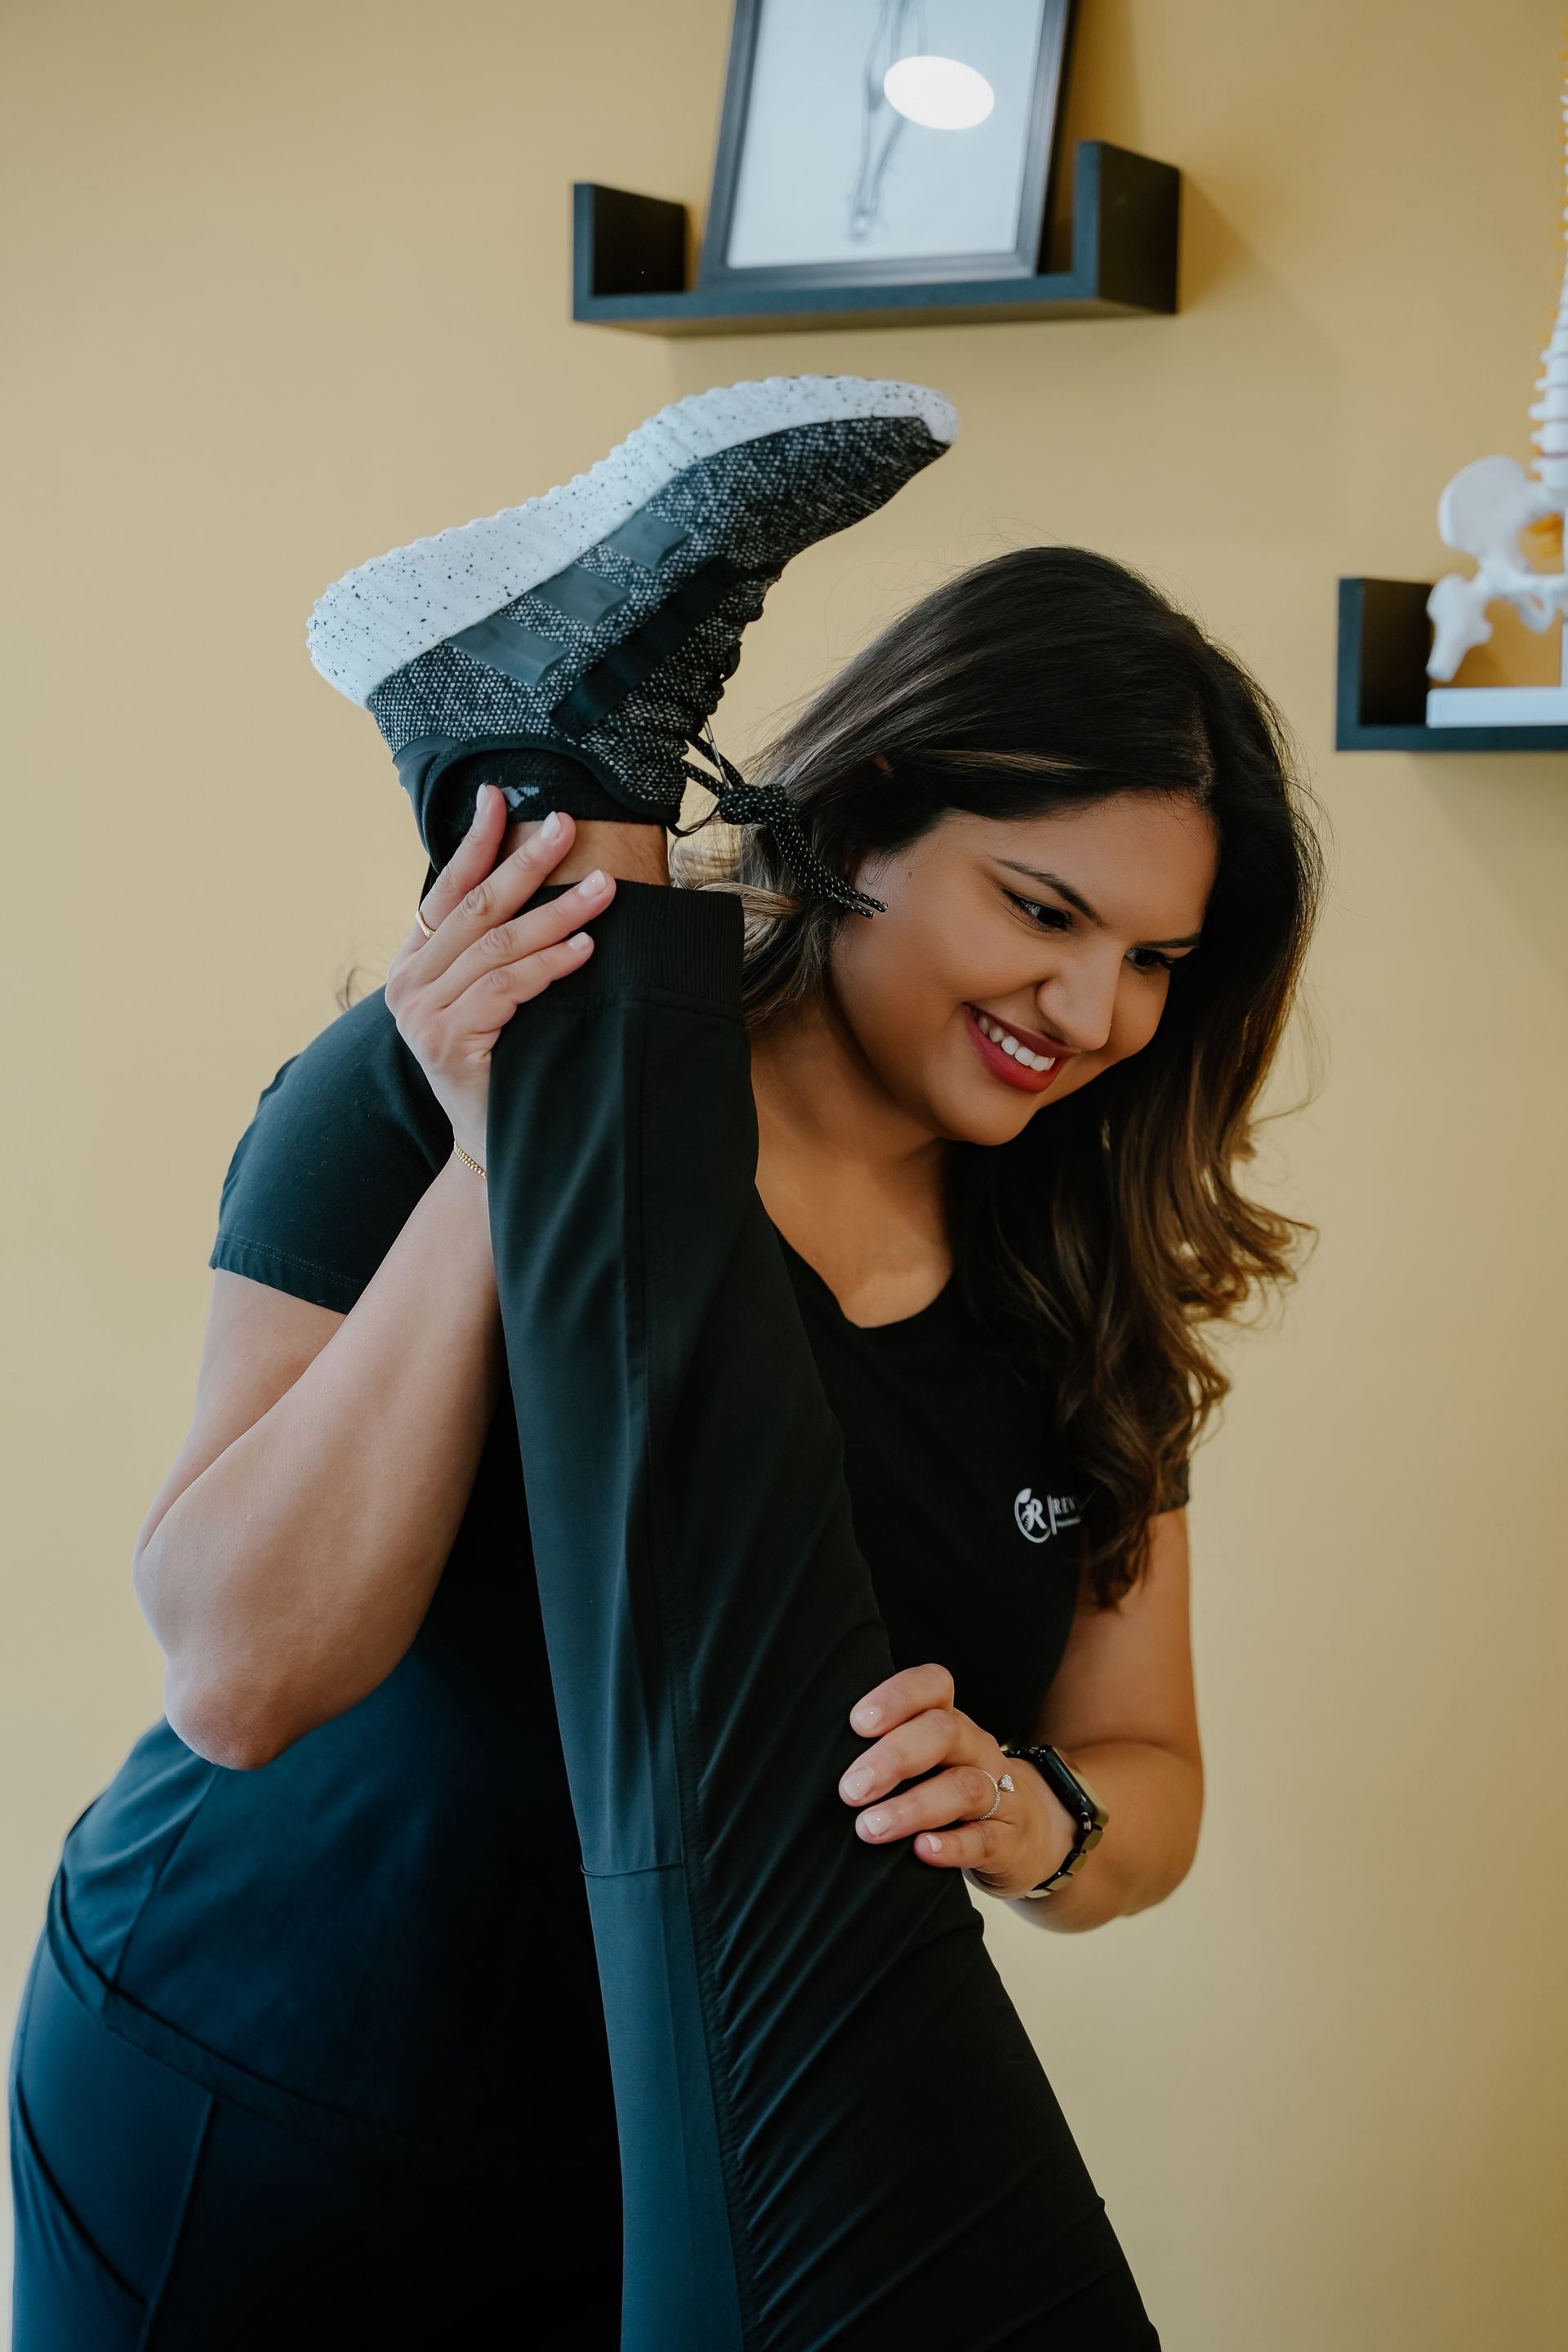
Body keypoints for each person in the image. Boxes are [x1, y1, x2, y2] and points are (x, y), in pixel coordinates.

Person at [8, 375, 1321, 2348]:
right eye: (1040, 910)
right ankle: (558, 778)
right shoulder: (434, 1061)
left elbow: (1151, 1774)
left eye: (1155, 962)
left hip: (686, 2173)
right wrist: (510, 1137)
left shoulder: (1080, 1282)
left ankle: (543, 753)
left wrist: (1045, 1823)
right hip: (258, 2093)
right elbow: (243, 1673)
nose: (1089, 1007)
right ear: (863, 813)